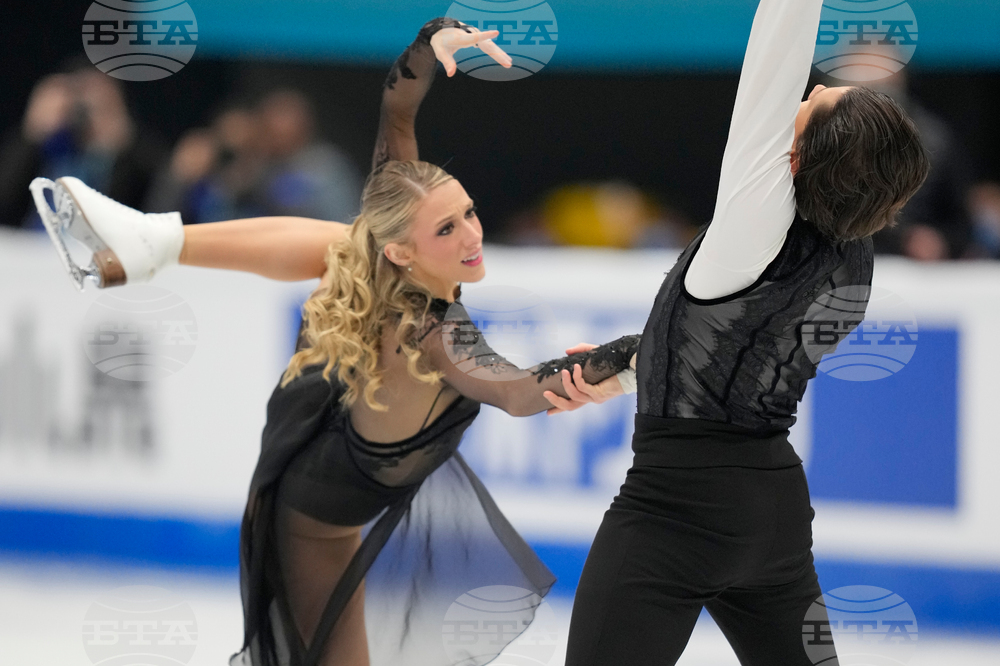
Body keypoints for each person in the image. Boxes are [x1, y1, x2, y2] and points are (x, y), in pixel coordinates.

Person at [29, 19, 638, 666]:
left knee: (351, 240)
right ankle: (146, 246)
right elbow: (517, 392)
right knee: (348, 243)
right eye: (448, 229)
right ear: (409, 251)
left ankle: (148, 247)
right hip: (313, 514)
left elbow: (397, 112)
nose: (471, 236)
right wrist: (631, 362)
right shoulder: (428, 331)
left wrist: (429, 44)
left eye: (469, 213)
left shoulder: (396, 250)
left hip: (325, 446)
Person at [547, 1, 931, 664]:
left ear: (797, 154)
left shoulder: (749, 227)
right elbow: (741, 351)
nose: (804, 92)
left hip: (675, 508)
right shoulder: (854, 258)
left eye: (814, 102)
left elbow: (774, 54)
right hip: (773, 514)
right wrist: (634, 369)